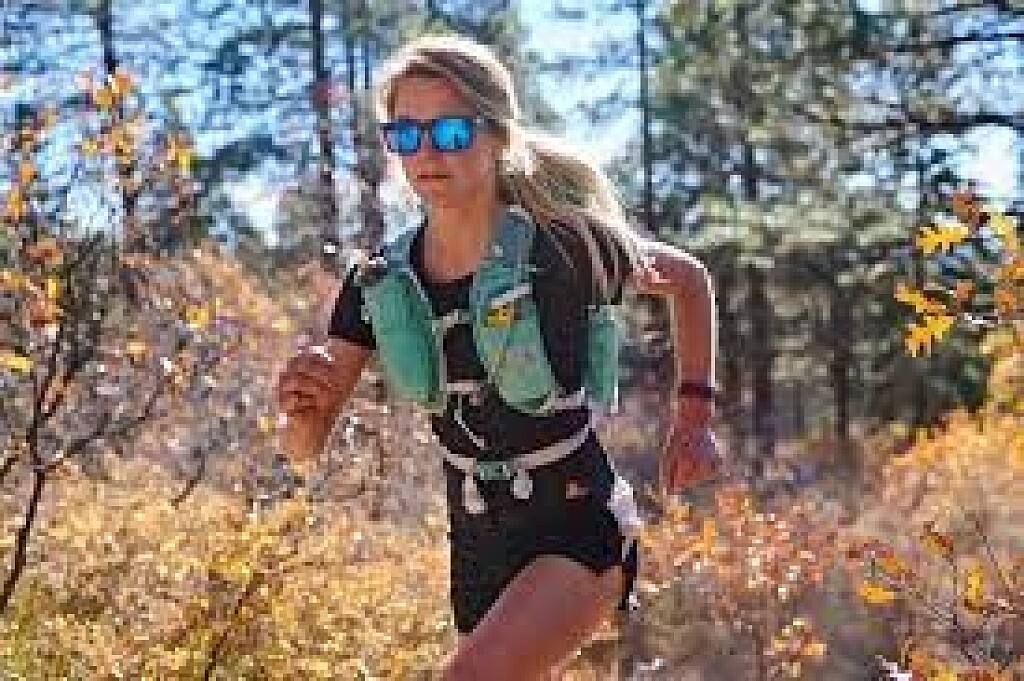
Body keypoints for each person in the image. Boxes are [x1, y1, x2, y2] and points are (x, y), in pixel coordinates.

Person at [274, 34, 719, 681]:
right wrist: (300, 404)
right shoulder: (379, 281)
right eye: (406, 135)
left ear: (498, 136)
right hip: (477, 542)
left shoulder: (564, 246)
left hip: (578, 522)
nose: (427, 154)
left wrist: (694, 416)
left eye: (451, 132)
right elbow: (302, 448)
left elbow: (689, 280)